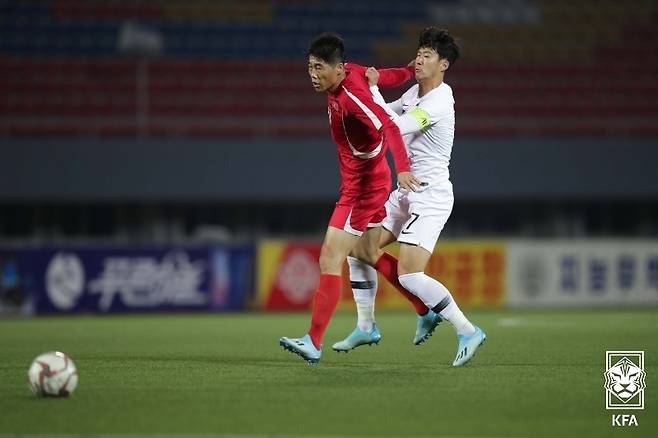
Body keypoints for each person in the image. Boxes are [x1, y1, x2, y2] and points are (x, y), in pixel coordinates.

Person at [332, 27, 486, 367]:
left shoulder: (440, 100)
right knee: (359, 248)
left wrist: (369, 89)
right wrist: (366, 98)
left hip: (430, 196)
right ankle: (366, 326)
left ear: (444, 64)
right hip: (405, 192)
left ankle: (467, 330)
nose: (418, 59)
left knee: (410, 275)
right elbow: (383, 113)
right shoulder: (415, 91)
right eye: (418, 53)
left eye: (427, 55)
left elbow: (394, 126)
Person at [279, 33, 421, 363]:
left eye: (318, 68)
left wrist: (402, 168)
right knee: (366, 251)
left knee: (330, 257)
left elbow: (389, 125)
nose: (312, 74)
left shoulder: (350, 99)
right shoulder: (351, 73)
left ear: (338, 69)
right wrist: (408, 70)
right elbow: (381, 76)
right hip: (369, 181)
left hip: (361, 188)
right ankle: (423, 305)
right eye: (309, 67)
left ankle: (313, 341)